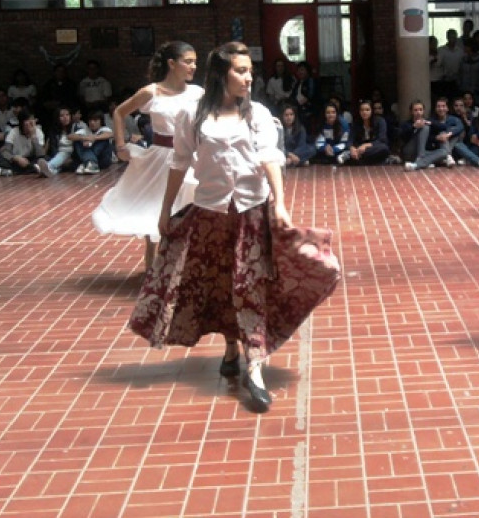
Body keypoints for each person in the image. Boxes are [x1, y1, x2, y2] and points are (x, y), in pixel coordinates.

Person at [127, 41, 339, 413]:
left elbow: (270, 158)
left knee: (249, 286)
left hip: (251, 214)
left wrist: (280, 203)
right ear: (220, 75)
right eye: (240, 71)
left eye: (250, 72)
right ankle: (230, 345)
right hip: (209, 215)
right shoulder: (192, 115)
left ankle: (254, 367)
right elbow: (178, 163)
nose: (247, 78)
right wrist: (164, 211)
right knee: (222, 284)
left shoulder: (256, 113)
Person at [91, 42, 203, 272]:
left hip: (191, 155)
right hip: (160, 157)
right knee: (156, 206)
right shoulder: (150, 92)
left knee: (188, 205)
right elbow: (120, 112)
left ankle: (185, 265)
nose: (194, 66)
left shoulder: (197, 93)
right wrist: (120, 145)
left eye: (195, 62)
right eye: (188, 61)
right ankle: (153, 267)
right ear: (172, 64)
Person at [401, 99, 454, 170]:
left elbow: (443, 127)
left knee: (444, 152)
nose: (418, 112)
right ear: (411, 112)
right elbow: (402, 136)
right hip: (410, 152)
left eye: (420, 110)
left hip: (423, 152)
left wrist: (432, 126)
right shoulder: (407, 124)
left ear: (423, 111)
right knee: (425, 128)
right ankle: (423, 160)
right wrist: (414, 127)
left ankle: (417, 164)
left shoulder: (427, 121)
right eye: (415, 110)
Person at [0, 111, 46, 176]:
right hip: (16, 159)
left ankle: (15, 172)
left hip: (30, 159)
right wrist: (16, 158)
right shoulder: (13, 132)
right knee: (0, 161)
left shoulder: (38, 132)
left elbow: (40, 154)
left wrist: (33, 136)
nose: (30, 123)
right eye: (28, 120)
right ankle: (32, 169)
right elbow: (5, 151)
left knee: (44, 159)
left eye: (32, 120)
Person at [38, 106, 84, 176]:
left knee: (63, 154)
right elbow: (53, 147)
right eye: (62, 116)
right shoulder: (54, 131)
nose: (65, 117)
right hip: (58, 155)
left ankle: (47, 167)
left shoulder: (76, 128)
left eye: (67, 115)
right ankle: (50, 170)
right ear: (57, 118)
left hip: (72, 157)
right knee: (60, 156)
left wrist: (71, 158)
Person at [341, 100, 390, 165]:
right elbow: (350, 140)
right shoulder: (356, 123)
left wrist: (366, 145)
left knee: (384, 148)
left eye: (367, 110)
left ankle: (354, 158)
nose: (364, 112)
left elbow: (382, 139)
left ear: (371, 111)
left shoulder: (380, 121)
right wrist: (351, 148)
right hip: (359, 147)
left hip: (374, 146)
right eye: (362, 110)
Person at [70, 110, 114, 174]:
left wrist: (94, 138)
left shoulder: (105, 129)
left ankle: (88, 163)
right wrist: (84, 138)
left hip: (102, 160)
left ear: (101, 121)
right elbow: (70, 137)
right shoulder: (85, 130)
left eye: (95, 120)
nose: (92, 123)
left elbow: (110, 134)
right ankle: (89, 163)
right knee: (77, 141)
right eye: (90, 120)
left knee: (103, 140)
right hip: (88, 160)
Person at [280, 103, 315, 167]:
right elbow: (278, 146)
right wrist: (289, 154)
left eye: (291, 115)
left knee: (312, 148)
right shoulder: (278, 128)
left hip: (297, 152)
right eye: (286, 115)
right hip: (285, 152)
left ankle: (291, 161)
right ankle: (300, 161)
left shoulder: (300, 128)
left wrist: (293, 156)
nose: (289, 117)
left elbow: (302, 145)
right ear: (282, 116)